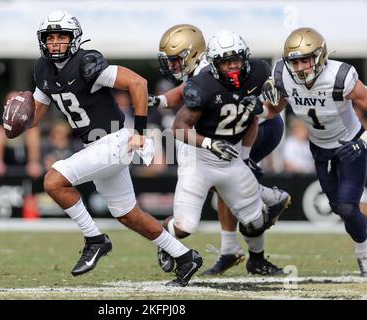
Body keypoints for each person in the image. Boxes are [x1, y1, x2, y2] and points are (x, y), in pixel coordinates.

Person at [11, 10, 203, 287]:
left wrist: (138, 131)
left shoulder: (87, 62)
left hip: (114, 140)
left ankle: (95, 239)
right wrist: (16, 121)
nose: (55, 43)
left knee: (53, 180)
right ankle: (185, 257)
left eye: (61, 37)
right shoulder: (42, 69)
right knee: (128, 213)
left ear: (73, 39)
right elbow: (36, 117)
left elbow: (138, 83)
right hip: (96, 146)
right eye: (50, 37)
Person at [150, 25, 289, 276]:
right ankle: (239, 239)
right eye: (169, 61)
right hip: (216, 143)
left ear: (193, 54)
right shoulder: (205, 77)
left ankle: (251, 235)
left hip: (251, 131)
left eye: (176, 60)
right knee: (214, 197)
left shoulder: (235, 70)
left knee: (239, 196)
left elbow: (261, 110)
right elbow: (186, 98)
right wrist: (161, 101)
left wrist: (275, 90)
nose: (172, 67)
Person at [257, 27, 367, 276]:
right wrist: (258, 108)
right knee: (339, 208)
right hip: (320, 150)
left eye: (305, 60)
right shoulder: (284, 77)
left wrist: (363, 142)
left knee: (349, 208)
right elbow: (274, 110)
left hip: (351, 146)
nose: (299, 68)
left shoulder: (340, 77)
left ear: (320, 57)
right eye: (293, 62)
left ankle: (364, 255)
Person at [0, 90, 43, 178]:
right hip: (7, 155)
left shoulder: (28, 117)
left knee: (33, 131)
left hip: (25, 155)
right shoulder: (2, 119)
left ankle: (33, 162)